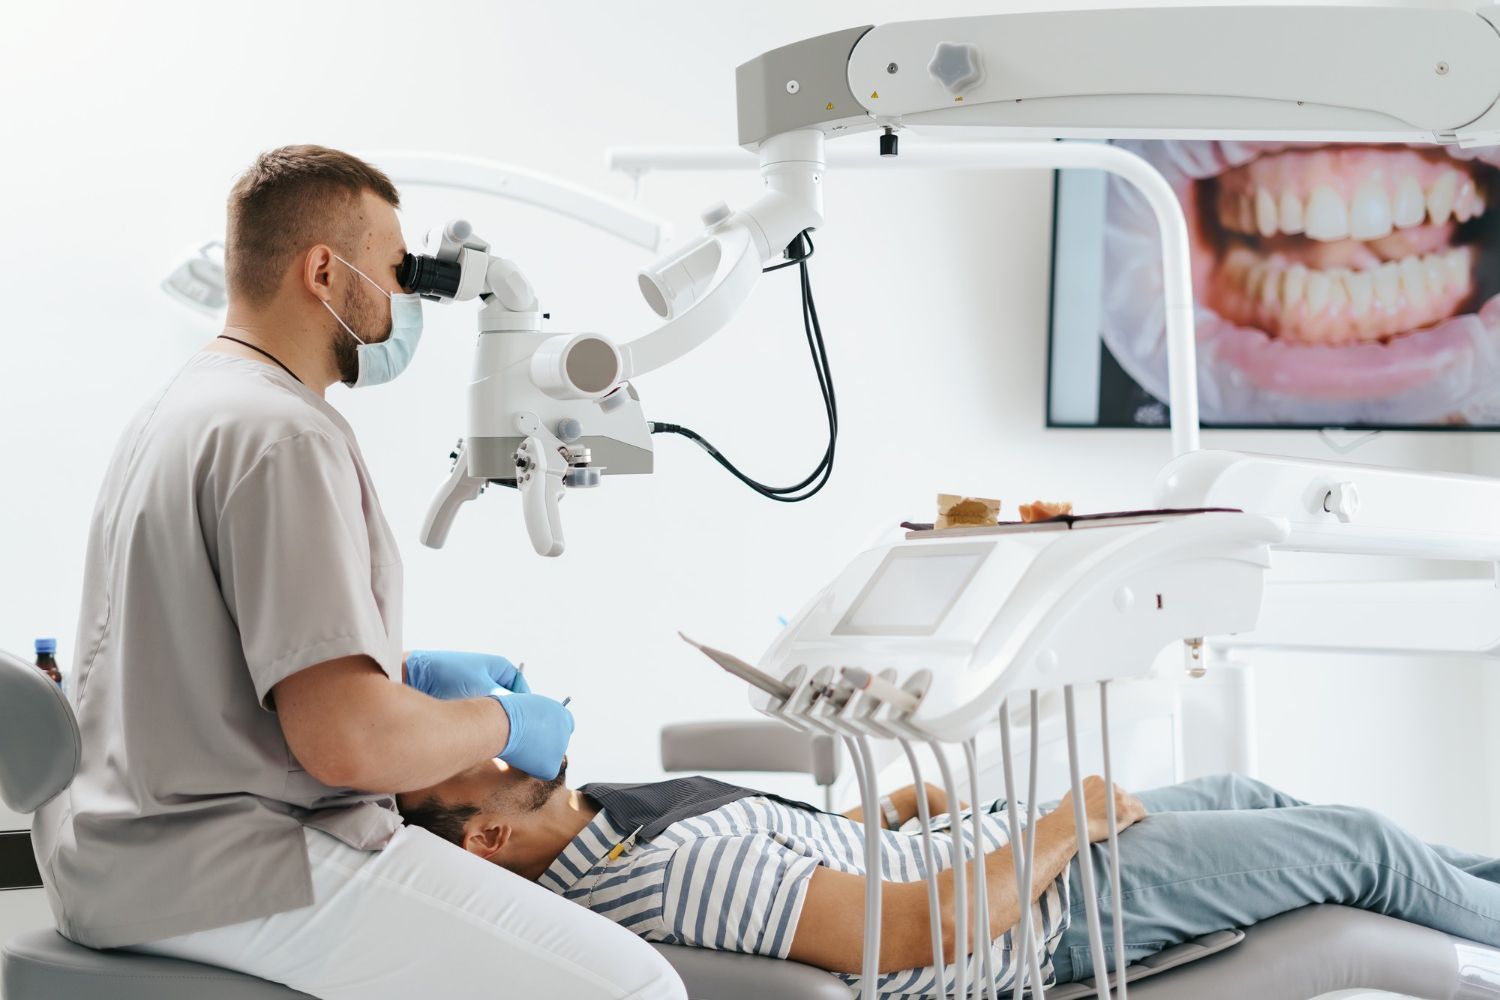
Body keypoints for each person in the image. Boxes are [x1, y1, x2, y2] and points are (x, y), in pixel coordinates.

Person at [30, 145, 684, 1000]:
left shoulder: (180, 408)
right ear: (324, 271)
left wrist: (402, 678)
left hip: (113, 855)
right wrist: (504, 721)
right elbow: (348, 745)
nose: (405, 298)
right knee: (638, 988)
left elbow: (189, 660)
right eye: (395, 269)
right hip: (228, 866)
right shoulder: (286, 434)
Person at [399, 758, 1500, 999]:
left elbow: (803, 863)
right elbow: (920, 930)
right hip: (1059, 909)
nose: (502, 751)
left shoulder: (620, 816)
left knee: (1261, 798)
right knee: (1355, 842)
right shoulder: (654, 880)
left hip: (1010, 847)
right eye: (477, 769)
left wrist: (874, 819)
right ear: (486, 839)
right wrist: (1064, 825)